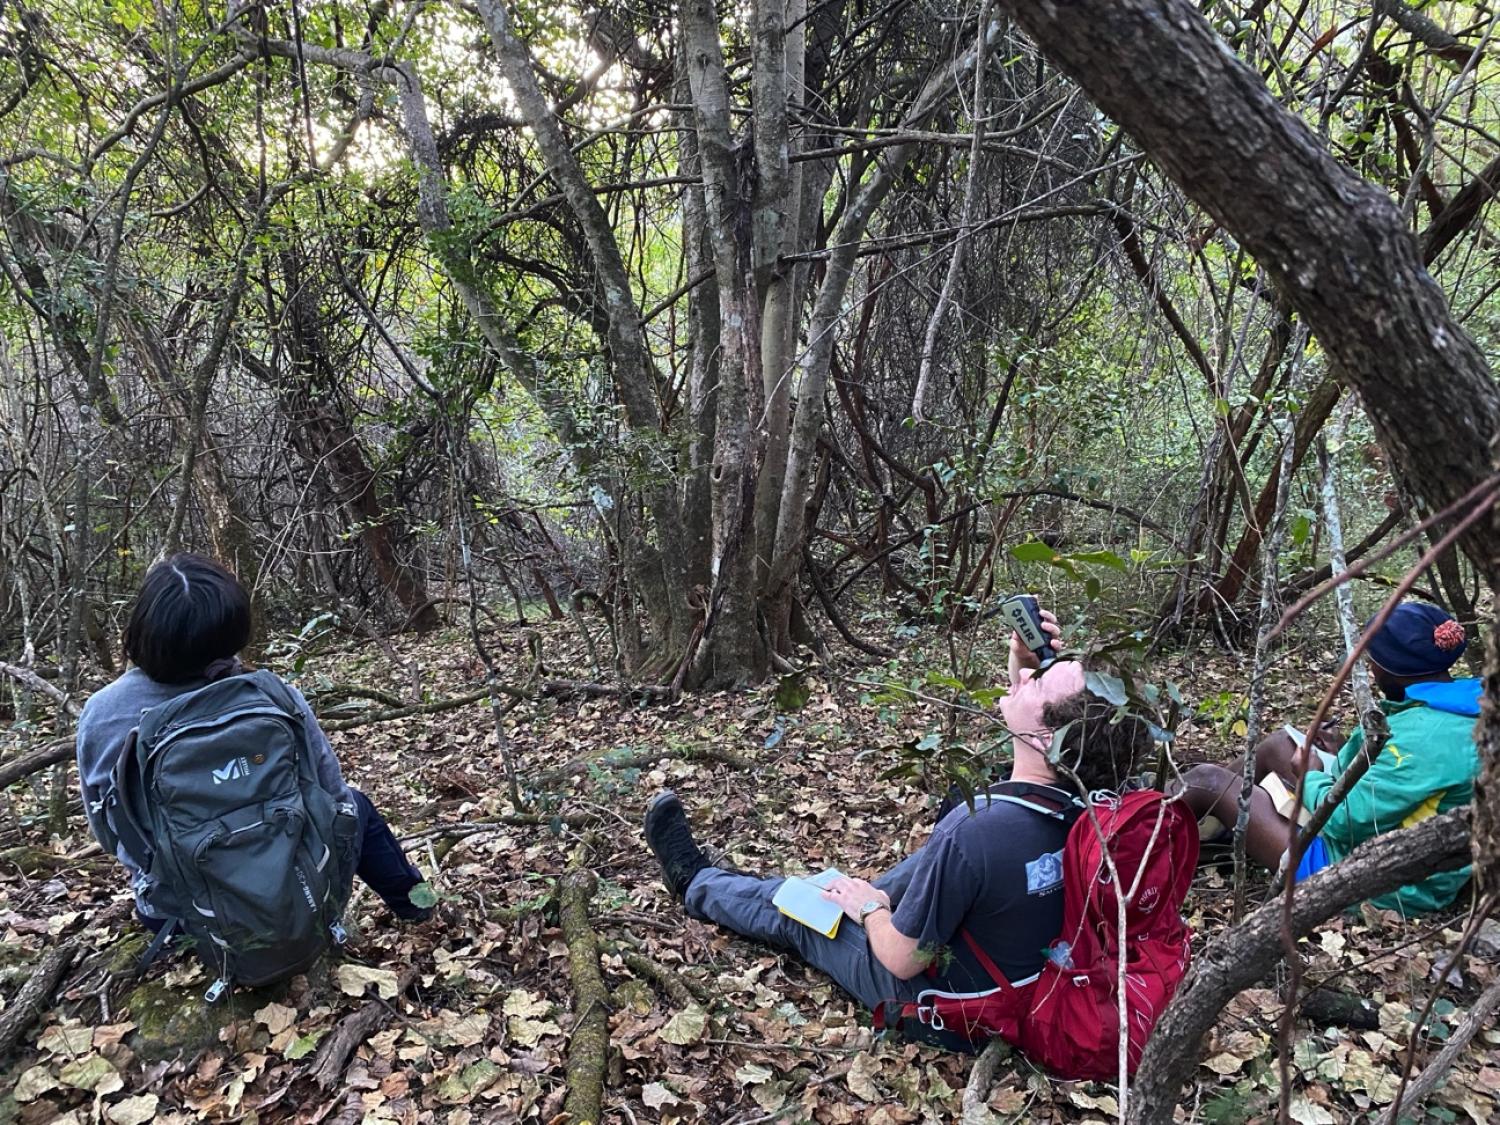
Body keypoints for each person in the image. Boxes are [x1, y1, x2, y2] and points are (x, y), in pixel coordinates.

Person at [642, 608, 1154, 1020]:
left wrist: (870, 910)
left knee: (801, 910)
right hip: (1023, 975)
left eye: (1040, 681)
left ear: (1049, 735)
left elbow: (904, 960)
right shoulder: (1089, 796)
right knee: (930, 856)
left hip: (947, 1004)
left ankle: (695, 883)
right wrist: (1023, 664)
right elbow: (1035, 745)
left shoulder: (977, 830)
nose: (1030, 677)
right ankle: (876, 895)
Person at [76, 553, 432, 931]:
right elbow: (332, 792)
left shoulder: (103, 713)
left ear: (142, 631)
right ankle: (417, 908)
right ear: (232, 636)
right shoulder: (270, 695)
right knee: (356, 805)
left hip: (179, 911)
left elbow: (109, 832)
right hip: (295, 889)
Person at [1179, 601, 1479, 913]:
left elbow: (1344, 821)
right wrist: (1345, 753)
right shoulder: (1463, 704)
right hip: (1383, 839)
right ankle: (1208, 833)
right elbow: (1403, 778)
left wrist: (1311, 775)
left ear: (1391, 667)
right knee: (1279, 745)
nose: (1371, 670)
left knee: (1208, 781)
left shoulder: (1426, 738)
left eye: (1372, 660)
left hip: (1373, 879)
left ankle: (1137, 831)